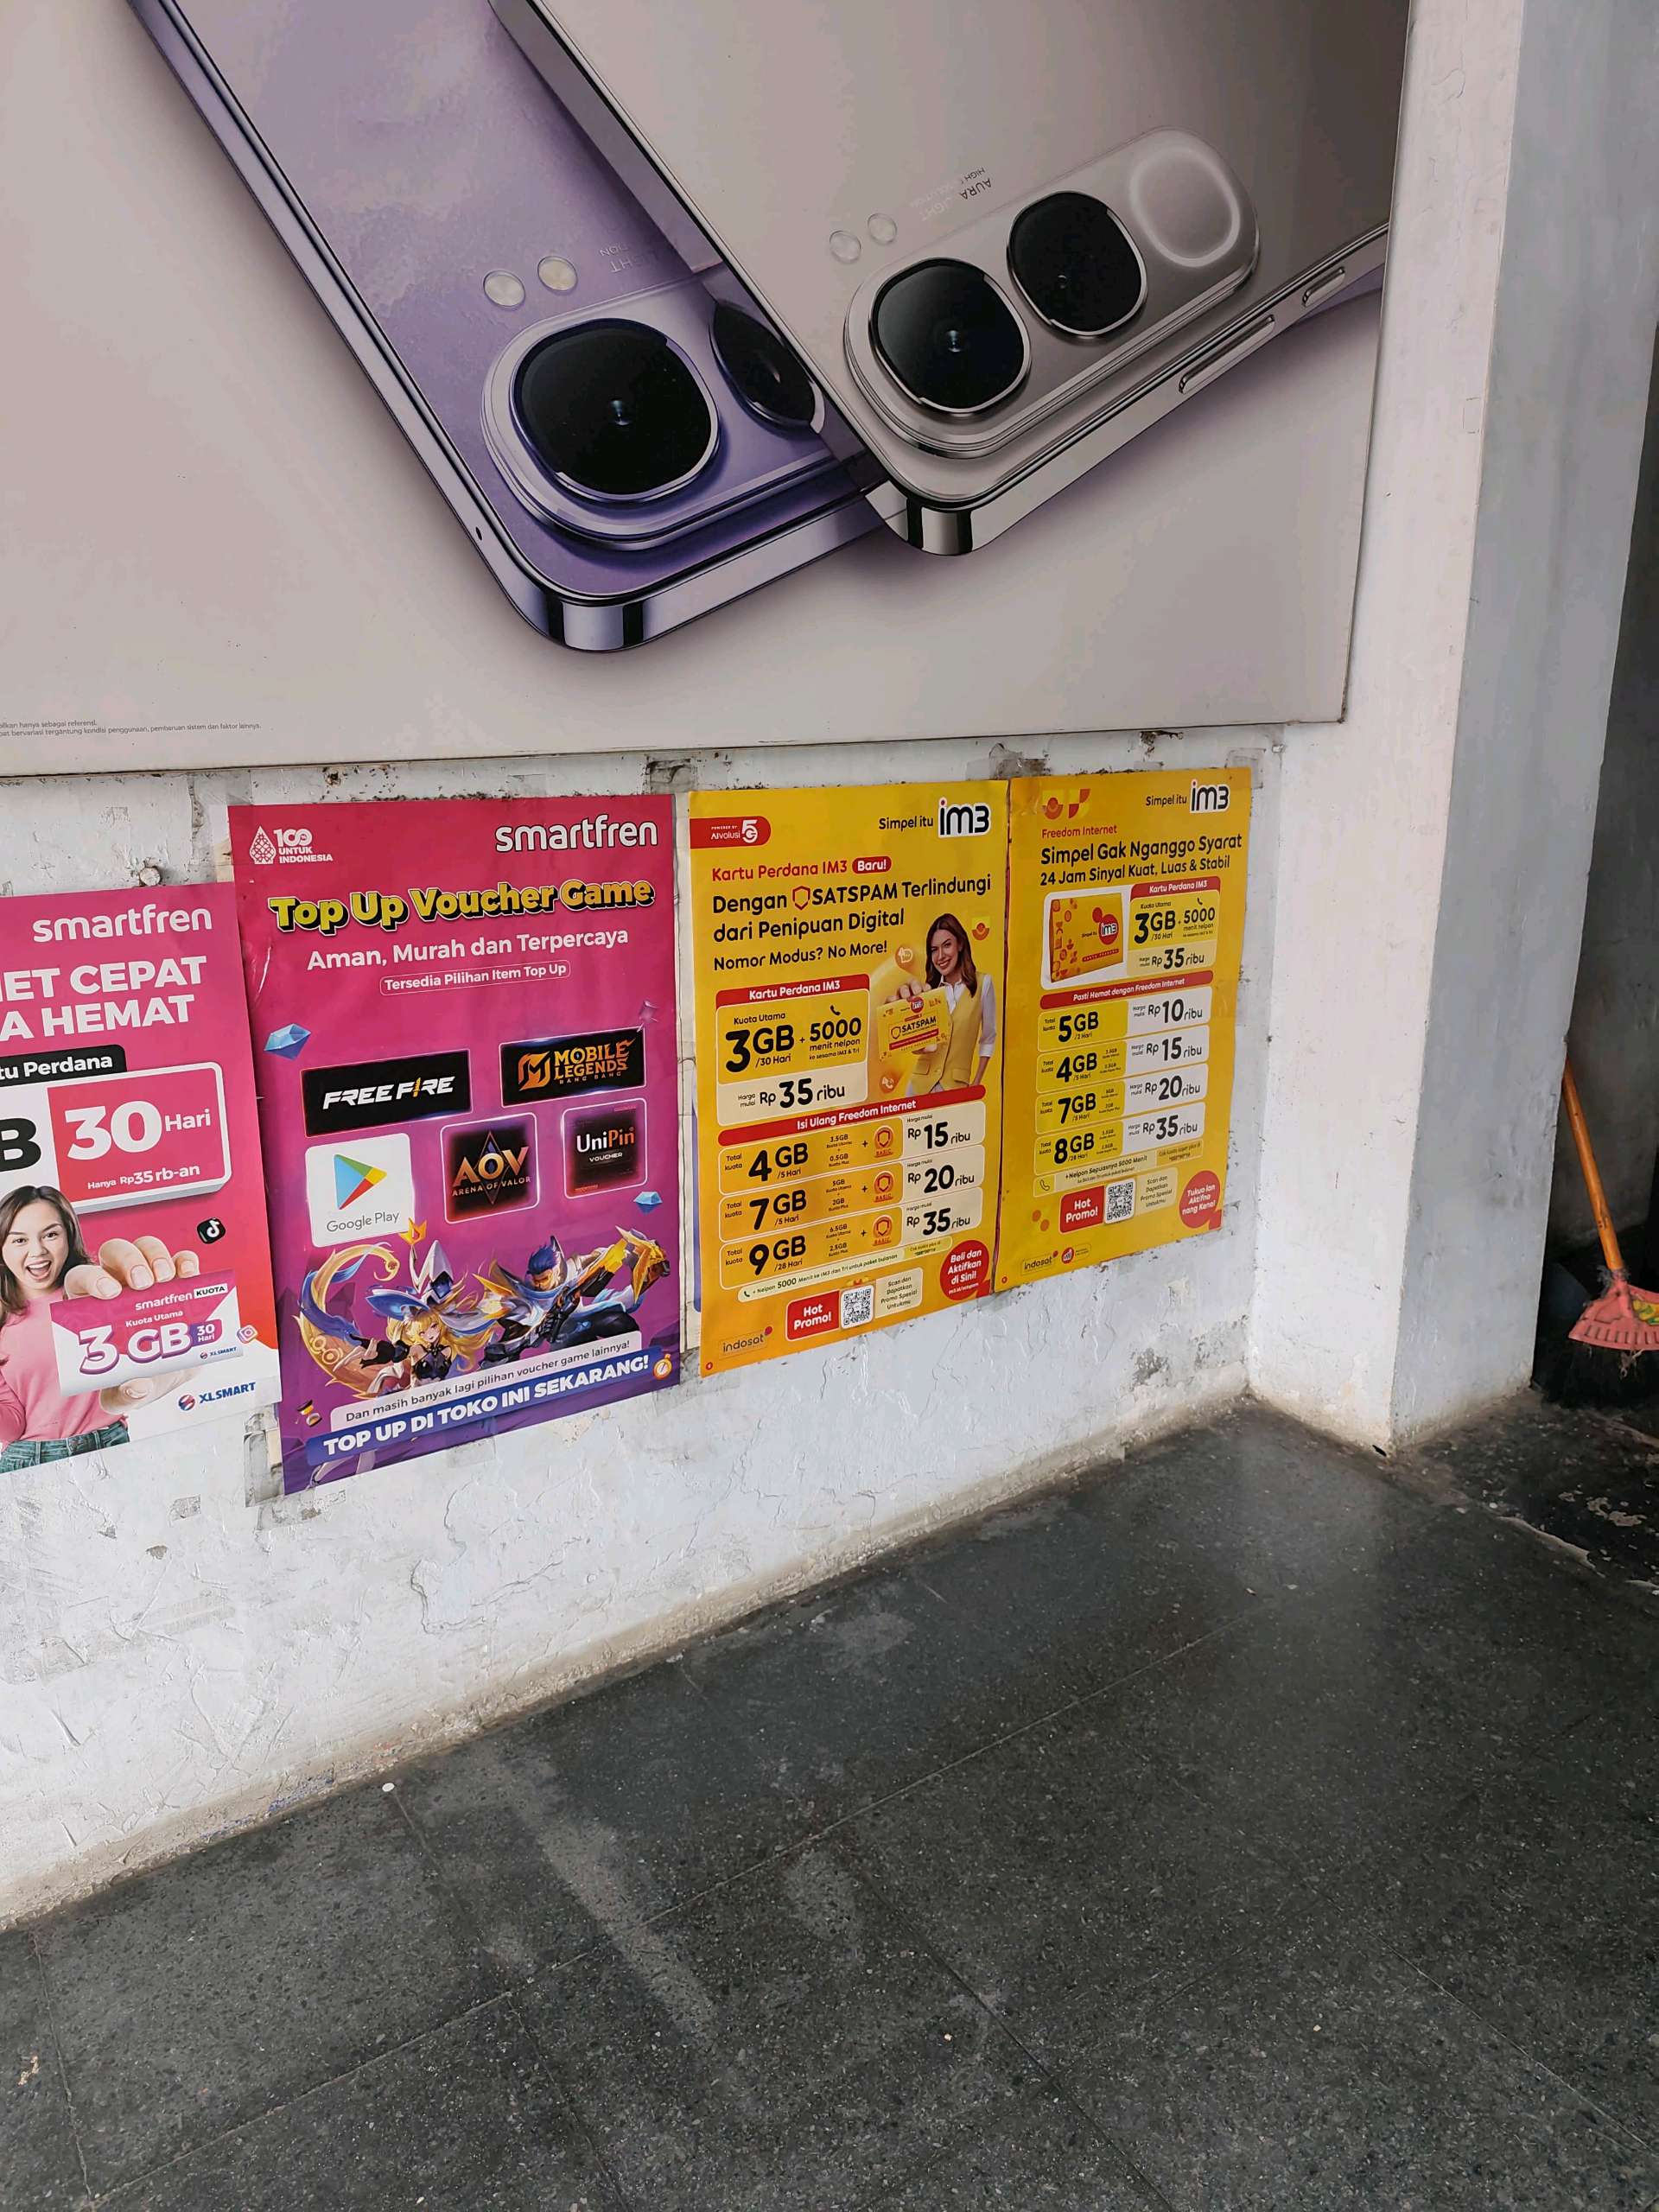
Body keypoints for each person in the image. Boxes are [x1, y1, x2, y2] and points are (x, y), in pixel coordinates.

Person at [0, 1185, 200, 1472]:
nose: (38, 1251)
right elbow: (12, 1425)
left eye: (51, 1235)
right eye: (19, 1240)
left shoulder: (99, 1291)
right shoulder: (2, 1319)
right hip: (28, 1459)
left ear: (69, 1235)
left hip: (108, 1444)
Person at [908, 912, 996, 1094]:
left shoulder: (983, 984)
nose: (940, 956)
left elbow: (988, 1037)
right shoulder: (929, 991)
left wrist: (976, 1082)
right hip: (919, 1086)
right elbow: (916, 1045)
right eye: (934, 950)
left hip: (955, 1086)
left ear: (960, 944)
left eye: (947, 945)